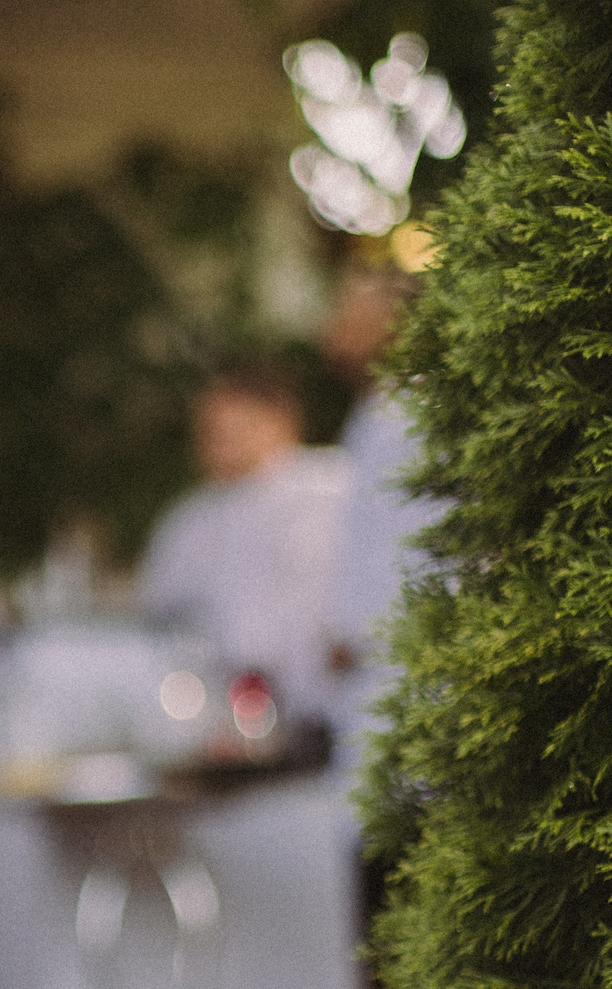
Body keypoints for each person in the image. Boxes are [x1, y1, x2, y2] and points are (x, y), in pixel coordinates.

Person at [135, 358, 351, 730]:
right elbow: (160, 627)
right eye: (210, 431)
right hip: (219, 726)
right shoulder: (187, 522)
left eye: (237, 426)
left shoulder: (329, 486)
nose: (221, 441)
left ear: (281, 421)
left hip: (323, 713)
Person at [320, 263, 440, 767]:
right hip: (374, 685)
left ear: (393, 322)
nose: (330, 332)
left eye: (348, 315)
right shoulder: (371, 415)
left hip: (415, 681)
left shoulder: (416, 416)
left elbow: (428, 550)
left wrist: (358, 635)